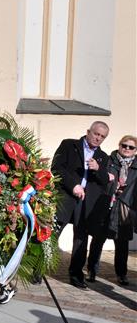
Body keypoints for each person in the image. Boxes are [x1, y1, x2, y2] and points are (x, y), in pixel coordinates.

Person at [50, 121, 111, 290]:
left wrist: (98, 169)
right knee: (53, 233)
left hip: (86, 202)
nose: (98, 138)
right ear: (88, 131)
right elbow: (56, 168)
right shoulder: (69, 145)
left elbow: (104, 181)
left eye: (102, 136)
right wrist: (73, 185)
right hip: (66, 196)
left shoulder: (103, 157)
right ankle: (38, 269)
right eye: (96, 134)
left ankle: (76, 275)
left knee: (81, 239)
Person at [87, 135, 137, 286]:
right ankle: (92, 270)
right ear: (119, 145)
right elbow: (100, 179)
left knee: (122, 243)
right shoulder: (109, 160)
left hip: (124, 208)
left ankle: (121, 274)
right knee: (97, 240)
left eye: (131, 147)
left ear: (135, 150)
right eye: (124, 145)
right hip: (106, 204)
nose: (127, 149)